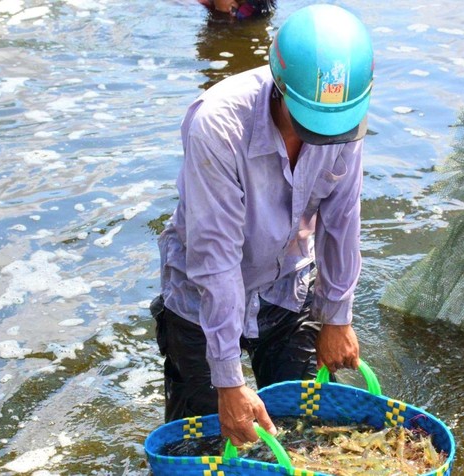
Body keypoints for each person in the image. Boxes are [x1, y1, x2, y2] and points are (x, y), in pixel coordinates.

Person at [153, 4, 374, 446]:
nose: (324, 139)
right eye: (311, 124)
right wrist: (229, 381)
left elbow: (342, 219)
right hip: (202, 305)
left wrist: (336, 315)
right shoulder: (217, 126)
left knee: (308, 436)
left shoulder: (345, 115)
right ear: (280, 87)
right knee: (203, 447)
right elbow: (215, 260)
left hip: (287, 289)